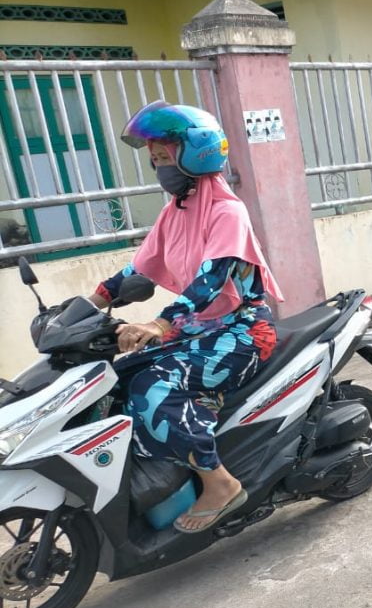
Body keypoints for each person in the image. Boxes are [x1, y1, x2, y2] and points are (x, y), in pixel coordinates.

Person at [90, 101, 283, 533]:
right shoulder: (176, 210)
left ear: (194, 156)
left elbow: (211, 280)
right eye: (155, 160)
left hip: (243, 332)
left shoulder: (227, 212)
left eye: (164, 158)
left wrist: (158, 324)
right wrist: (88, 303)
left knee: (153, 386)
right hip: (196, 330)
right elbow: (139, 270)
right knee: (118, 378)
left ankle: (220, 483)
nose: (159, 168)